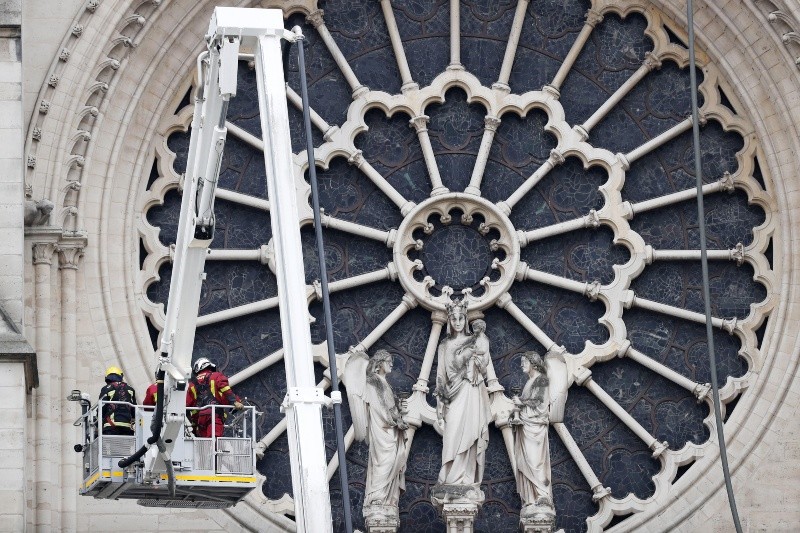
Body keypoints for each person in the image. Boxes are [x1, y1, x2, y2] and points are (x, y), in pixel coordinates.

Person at [434, 299, 491, 486]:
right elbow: (441, 375)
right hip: (453, 394)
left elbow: (484, 368)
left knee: (471, 433)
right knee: (452, 435)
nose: (457, 322)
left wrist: (478, 363)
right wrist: (440, 401)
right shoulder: (444, 345)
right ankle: (450, 476)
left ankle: (466, 478)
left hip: (471, 389)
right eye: (454, 319)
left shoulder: (475, 340)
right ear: (449, 321)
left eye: (461, 318)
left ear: (466, 319)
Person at [512, 351, 553, 510]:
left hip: (535, 426)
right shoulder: (530, 382)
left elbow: (539, 402)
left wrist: (521, 402)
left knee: (535, 461)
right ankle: (530, 497)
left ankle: (542, 494)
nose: (522, 365)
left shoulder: (542, 379)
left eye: (524, 362)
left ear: (533, 363)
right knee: (526, 461)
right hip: (526, 426)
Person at [188, 357, 243, 438]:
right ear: (209, 366)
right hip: (214, 415)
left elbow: (188, 405)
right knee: (214, 439)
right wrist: (235, 401)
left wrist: (192, 425)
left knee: (203, 441)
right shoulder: (216, 376)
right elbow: (225, 389)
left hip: (200, 419)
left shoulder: (191, 384)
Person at [98, 366, 137, 435]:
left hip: (111, 425)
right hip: (127, 426)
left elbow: (102, 407)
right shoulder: (130, 389)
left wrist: (98, 421)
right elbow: (134, 409)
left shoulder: (106, 388)